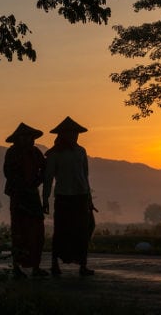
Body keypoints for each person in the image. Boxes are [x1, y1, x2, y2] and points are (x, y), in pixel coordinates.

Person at [42, 116, 96, 277]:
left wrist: (89, 199)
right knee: (61, 231)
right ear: (63, 135)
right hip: (64, 197)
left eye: (76, 133)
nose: (74, 136)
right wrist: (45, 199)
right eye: (71, 133)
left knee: (85, 229)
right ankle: (54, 265)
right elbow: (48, 178)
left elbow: (85, 176)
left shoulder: (81, 151)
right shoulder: (54, 154)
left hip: (81, 196)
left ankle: (82, 265)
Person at [3, 122, 49, 278]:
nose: (30, 140)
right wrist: (24, 185)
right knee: (19, 232)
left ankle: (35, 267)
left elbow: (45, 168)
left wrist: (37, 181)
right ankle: (17, 267)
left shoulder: (35, 153)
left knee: (37, 233)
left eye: (31, 137)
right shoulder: (12, 153)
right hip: (18, 196)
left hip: (32, 196)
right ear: (19, 138)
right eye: (27, 137)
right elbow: (8, 172)